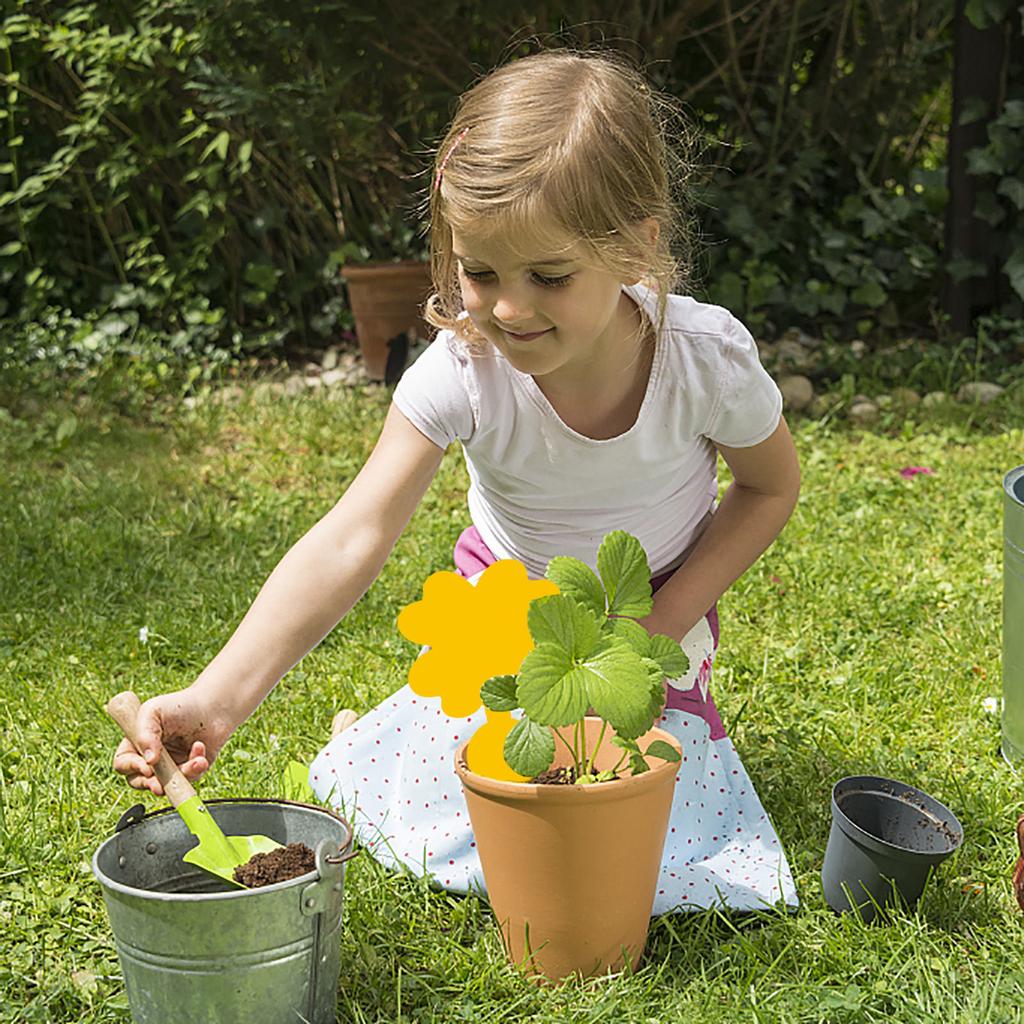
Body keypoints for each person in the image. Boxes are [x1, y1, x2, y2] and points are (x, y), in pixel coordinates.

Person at [113, 48, 801, 913]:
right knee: (485, 804)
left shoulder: (703, 362)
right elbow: (352, 535)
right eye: (480, 273)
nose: (507, 308)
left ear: (634, 246)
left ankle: (400, 740)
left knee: (651, 836)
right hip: (502, 615)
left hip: (645, 625)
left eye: (548, 276)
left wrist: (660, 628)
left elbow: (771, 487)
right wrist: (218, 697)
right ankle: (379, 743)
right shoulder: (465, 370)